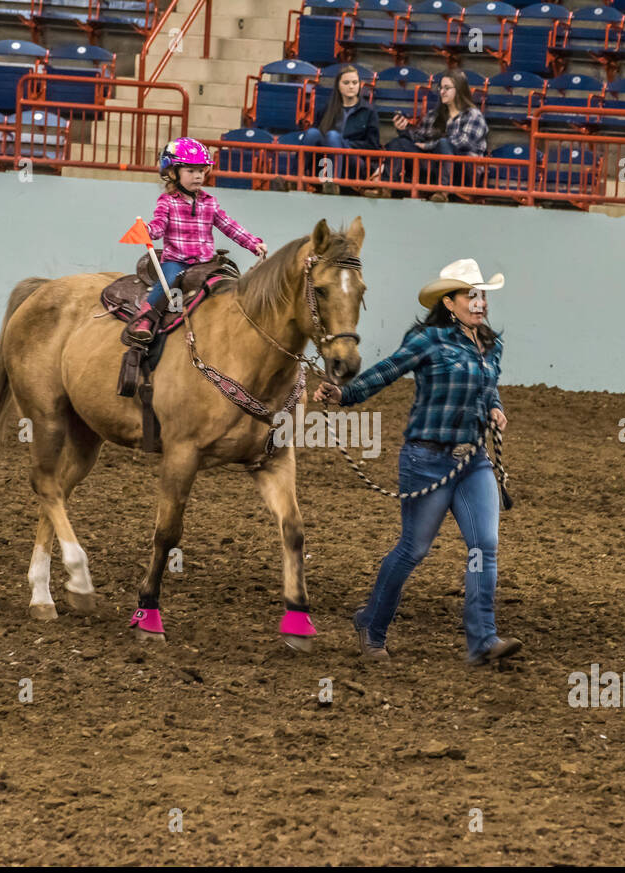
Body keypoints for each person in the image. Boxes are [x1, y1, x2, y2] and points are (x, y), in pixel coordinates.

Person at [313, 259, 520, 667]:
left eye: (482, 296)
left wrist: (494, 407)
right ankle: (372, 626)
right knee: (414, 548)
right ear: (449, 301)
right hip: (426, 458)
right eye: (470, 296)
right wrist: (344, 395)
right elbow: (389, 371)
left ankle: (483, 641)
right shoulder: (428, 340)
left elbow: (487, 386)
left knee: (485, 547)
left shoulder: (490, 345)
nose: (479, 304)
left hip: (472, 460)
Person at [125, 137, 268, 344]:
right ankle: (145, 319)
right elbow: (158, 225)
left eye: (201, 171)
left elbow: (229, 225)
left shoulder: (209, 202)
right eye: (190, 171)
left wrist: (253, 243)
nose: (198, 176)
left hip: (205, 263)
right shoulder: (167, 202)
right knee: (167, 283)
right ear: (173, 173)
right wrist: (147, 230)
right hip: (177, 261)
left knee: (229, 281)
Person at [381, 70, 487, 202]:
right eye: (441, 88)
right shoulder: (433, 115)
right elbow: (418, 138)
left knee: (444, 143)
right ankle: (385, 188)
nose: (442, 92)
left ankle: (442, 191)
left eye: (447, 88)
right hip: (436, 169)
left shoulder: (473, 115)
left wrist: (430, 145)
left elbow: (462, 143)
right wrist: (404, 129)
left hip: (464, 172)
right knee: (399, 143)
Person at [301, 64, 381, 191]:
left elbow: (373, 146)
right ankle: (295, 179)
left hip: (353, 161)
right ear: (338, 85)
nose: (351, 86)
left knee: (333, 136)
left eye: (355, 83)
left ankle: (334, 183)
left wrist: (344, 144)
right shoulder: (328, 109)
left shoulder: (368, 111)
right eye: (346, 82)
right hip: (325, 161)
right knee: (312, 133)